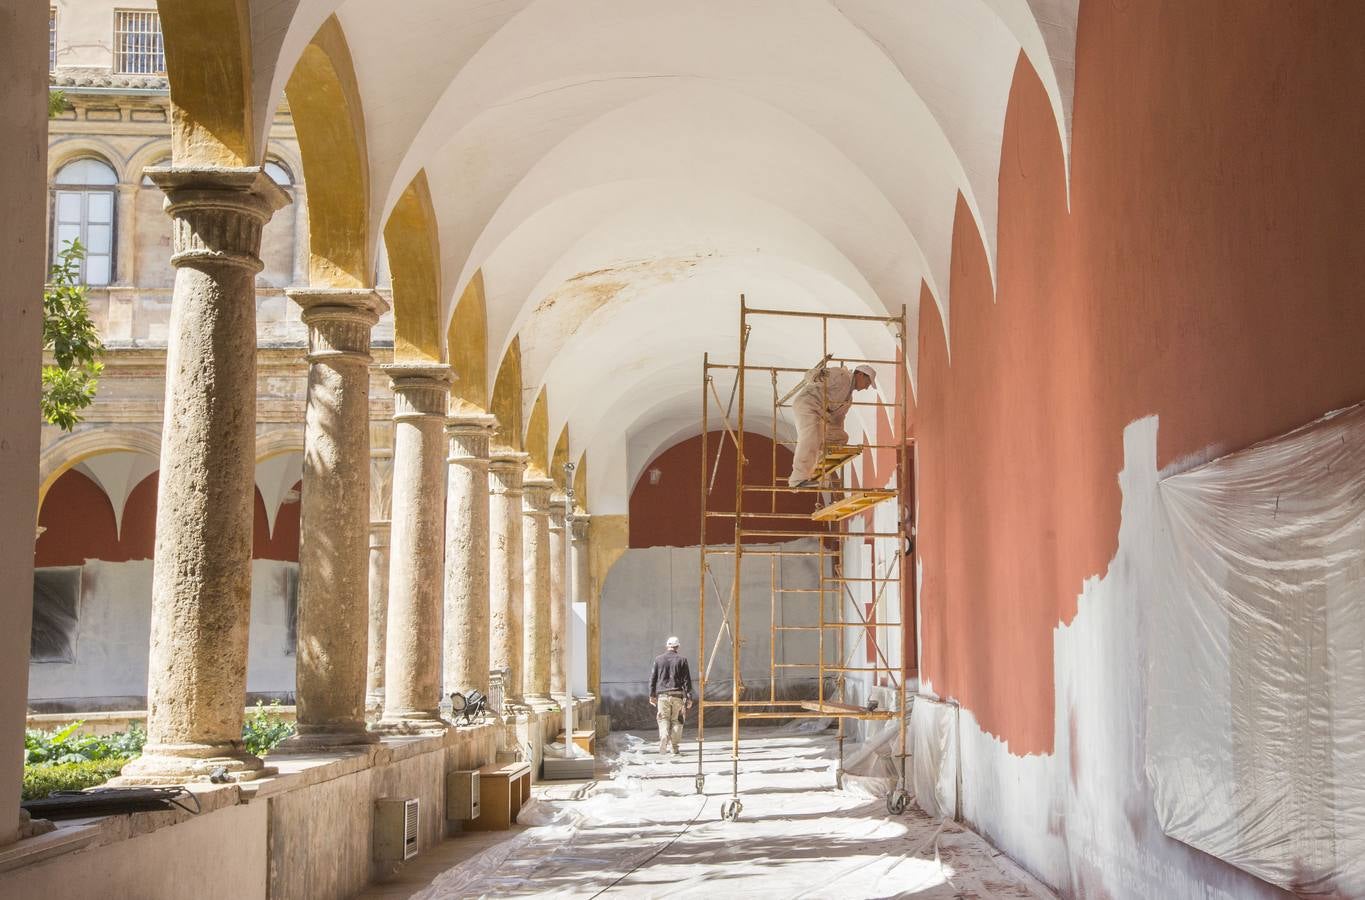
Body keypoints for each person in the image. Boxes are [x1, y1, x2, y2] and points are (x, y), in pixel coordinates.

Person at [788, 363, 877, 487]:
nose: (866, 388)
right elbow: (810, 375)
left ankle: (818, 474)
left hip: (821, 414)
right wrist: (817, 376)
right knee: (809, 439)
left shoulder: (848, 399)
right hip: (808, 405)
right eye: (868, 383)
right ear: (860, 375)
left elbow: (837, 421)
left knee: (840, 437)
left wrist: (834, 437)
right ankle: (797, 480)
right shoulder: (841, 376)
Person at [648, 636, 693, 755]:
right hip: (677, 695)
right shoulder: (682, 660)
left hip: (662, 696)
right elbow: (686, 680)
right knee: (677, 721)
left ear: (667, 646)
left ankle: (664, 736)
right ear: (677, 646)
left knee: (663, 719)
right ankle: (674, 747)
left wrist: (652, 695)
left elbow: (653, 678)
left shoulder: (658, 660)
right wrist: (689, 697)